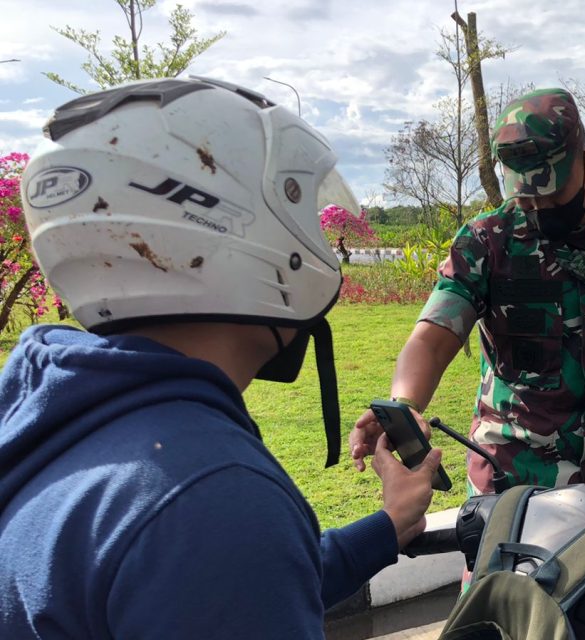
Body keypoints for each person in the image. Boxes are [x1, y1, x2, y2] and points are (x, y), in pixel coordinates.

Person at [0, 77, 440, 638]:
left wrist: (388, 526)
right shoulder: (208, 497)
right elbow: (218, 556)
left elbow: (228, 589)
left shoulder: (54, 414)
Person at [351, 88, 585, 500]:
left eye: (554, 192)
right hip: (511, 476)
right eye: (526, 197)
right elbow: (432, 339)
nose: (539, 206)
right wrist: (405, 404)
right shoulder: (487, 241)